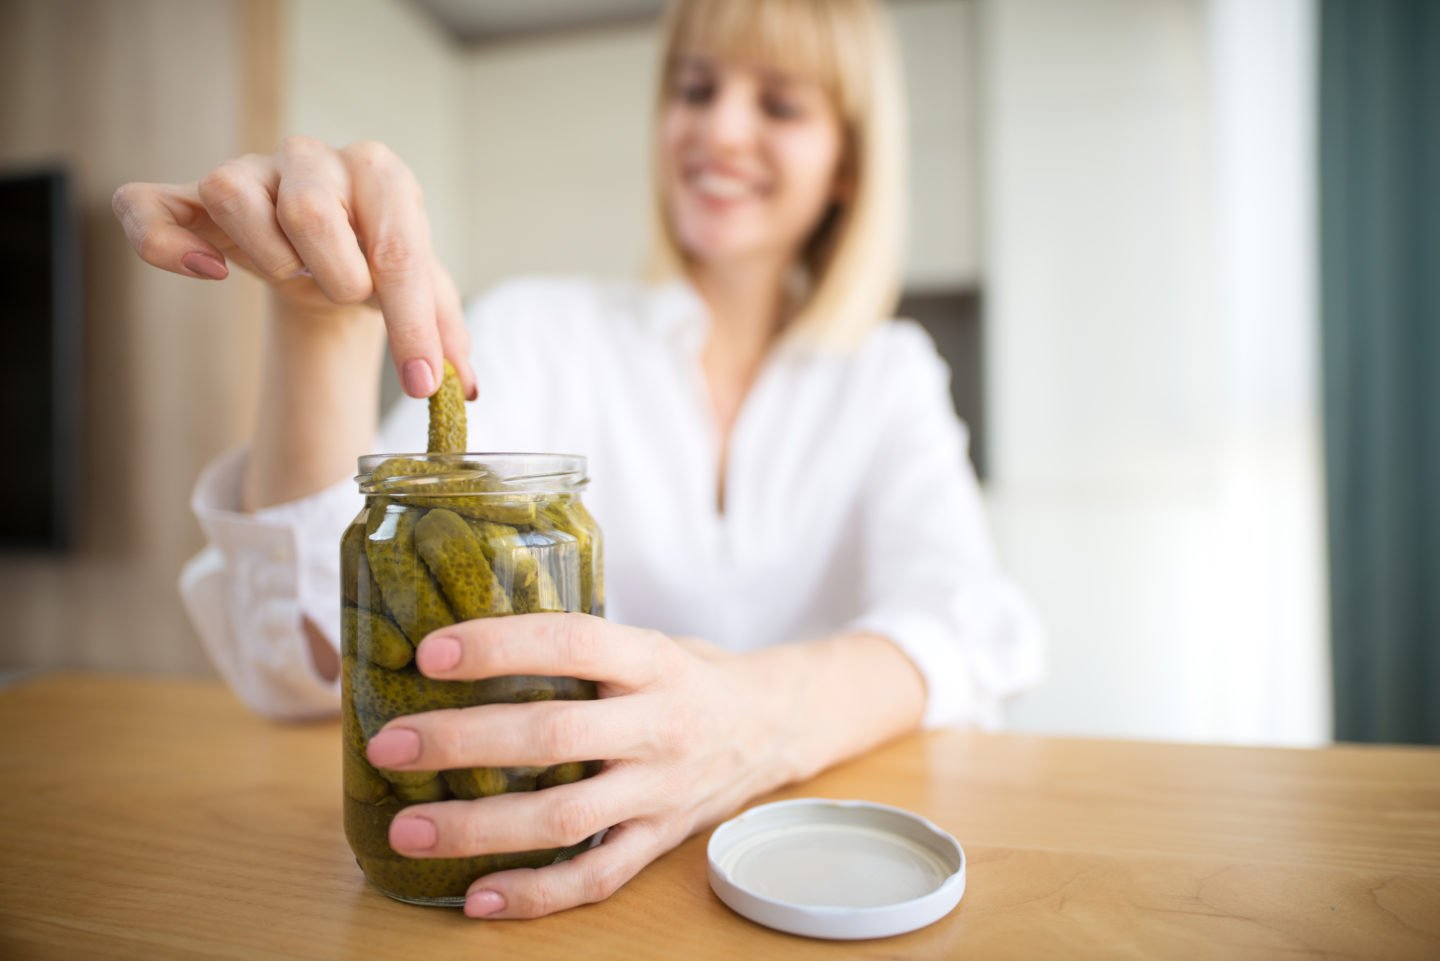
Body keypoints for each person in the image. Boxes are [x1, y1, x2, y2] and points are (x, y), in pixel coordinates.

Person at [112, 0, 1043, 920]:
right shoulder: (535, 328)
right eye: (695, 87)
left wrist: (758, 721)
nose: (720, 126)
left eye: (780, 104)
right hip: (557, 901)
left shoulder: (889, 373)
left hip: (827, 872)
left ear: (848, 163)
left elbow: (965, 625)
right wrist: (317, 327)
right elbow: (305, 651)